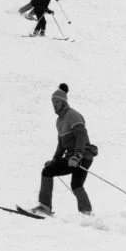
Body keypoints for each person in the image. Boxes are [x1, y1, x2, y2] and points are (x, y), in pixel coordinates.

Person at [32, 84, 97, 216]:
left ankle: (44, 207)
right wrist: (55, 160)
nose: (54, 105)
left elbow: (81, 136)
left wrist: (77, 156)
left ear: (64, 102)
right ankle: (86, 213)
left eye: (57, 102)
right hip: (78, 157)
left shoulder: (73, 115)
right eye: (53, 102)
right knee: (77, 184)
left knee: (47, 172)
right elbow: (61, 144)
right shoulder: (59, 121)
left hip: (81, 155)